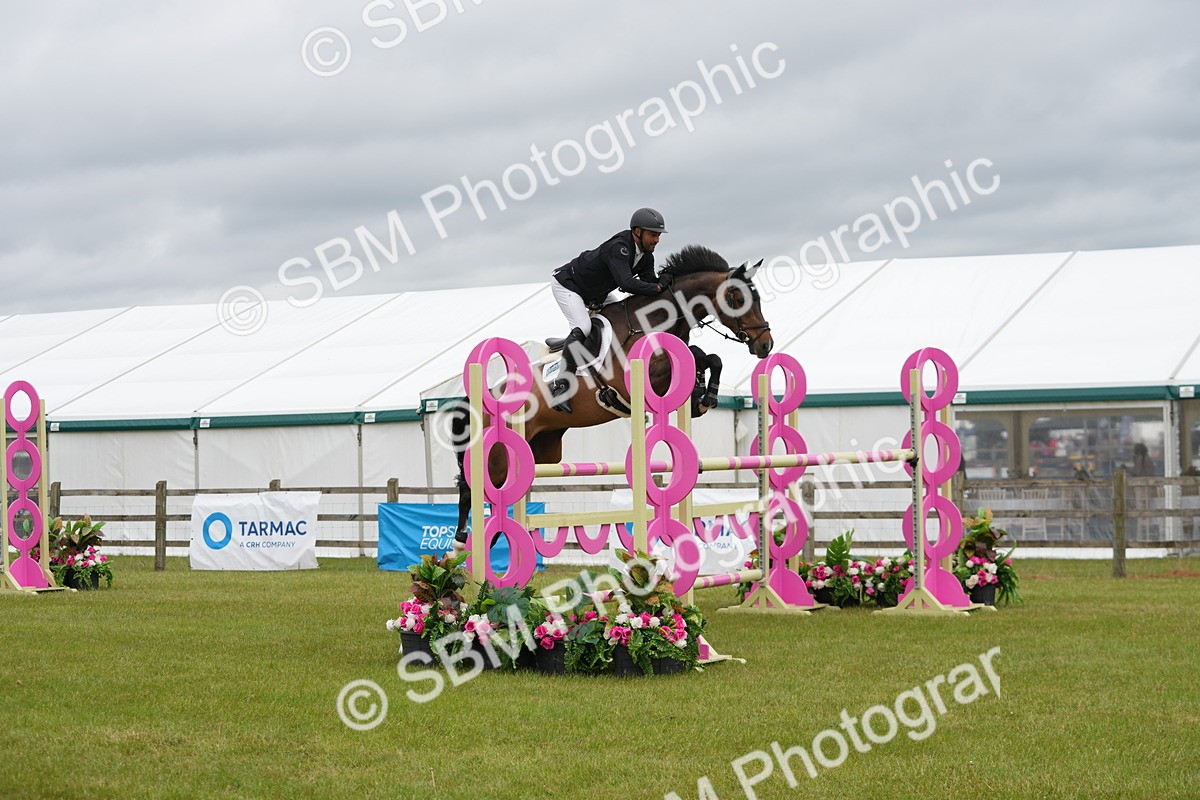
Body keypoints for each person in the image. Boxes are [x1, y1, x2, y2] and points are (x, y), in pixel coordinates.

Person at [546, 208, 669, 412]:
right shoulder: (619, 248)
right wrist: (657, 287)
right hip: (568, 284)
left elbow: (649, 284)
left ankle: (570, 343)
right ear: (637, 232)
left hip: (596, 293)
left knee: (618, 316)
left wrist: (663, 281)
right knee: (584, 328)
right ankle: (561, 386)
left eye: (658, 236)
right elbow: (626, 283)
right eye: (653, 234)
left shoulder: (646, 256)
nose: (657, 240)